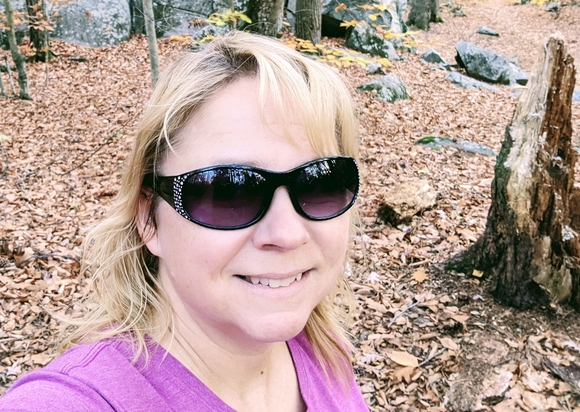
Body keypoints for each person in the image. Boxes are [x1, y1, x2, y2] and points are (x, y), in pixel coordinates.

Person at [0, 32, 369, 412]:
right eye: (229, 191)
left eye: (320, 183)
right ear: (149, 219)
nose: (287, 234)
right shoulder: (75, 401)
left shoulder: (322, 350)